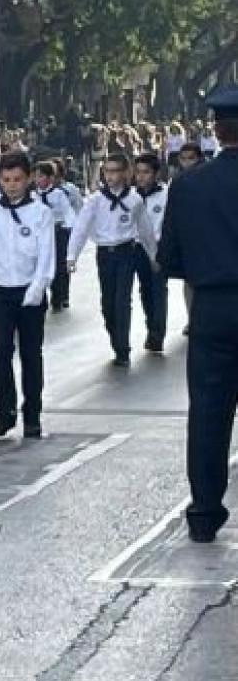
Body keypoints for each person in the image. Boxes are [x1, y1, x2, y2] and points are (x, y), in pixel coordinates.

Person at [156, 85, 238, 542]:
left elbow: (169, 258)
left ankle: (205, 513)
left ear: (215, 131)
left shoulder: (188, 185)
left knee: (208, 413)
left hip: (213, 306)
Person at [0, 153, 55, 439]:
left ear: (29, 178)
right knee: (0, 352)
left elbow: (46, 254)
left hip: (29, 289)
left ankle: (32, 413)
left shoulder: (41, 213)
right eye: (6, 180)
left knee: (31, 354)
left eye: (18, 179)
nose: (12, 185)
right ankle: (4, 412)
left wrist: (38, 287)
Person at [68, 153, 145, 367]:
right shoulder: (95, 200)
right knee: (108, 302)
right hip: (105, 254)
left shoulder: (134, 199)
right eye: (107, 171)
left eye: (115, 171)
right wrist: (71, 256)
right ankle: (115, 336)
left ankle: (123, 348)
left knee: (123, 300)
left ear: (125, 173)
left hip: (126, 252)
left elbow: (144, 229)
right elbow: (81, 228)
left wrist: (154, 255)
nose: (110, 176)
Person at [130, 153, 170, 355]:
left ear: (156, 174)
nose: (141, 177)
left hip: (157, 247)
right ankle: (150, 325)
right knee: (144, 290)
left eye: (146, 172)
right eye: (138, 172)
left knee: (158, 289)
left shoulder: (166, 195)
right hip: (136, 248)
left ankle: (157, 334)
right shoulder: (131, 196)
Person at [32, 161, 76, 311]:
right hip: (38, 235)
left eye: (41, 176)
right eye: (36, 176)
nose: (38, 179)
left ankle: (59, 296)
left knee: (58, 266)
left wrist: (69, 228)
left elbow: (67, 212)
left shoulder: (59, 194)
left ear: (51, 178)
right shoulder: (32, 196)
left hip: (57, 233)